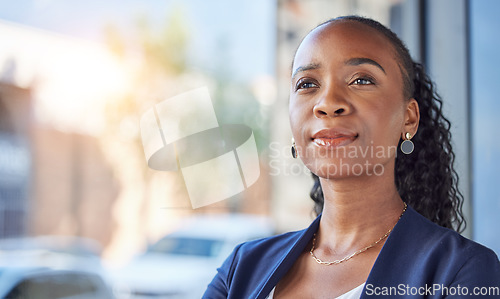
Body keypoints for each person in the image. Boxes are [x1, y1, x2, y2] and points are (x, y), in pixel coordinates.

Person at [203, 16, 500, 298]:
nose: (328, 103)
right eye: (307, 84)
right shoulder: (241, 268)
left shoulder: (463, 271)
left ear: (408, 119)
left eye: (361, 80)